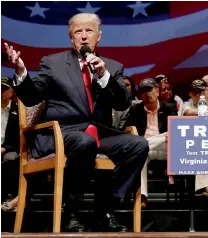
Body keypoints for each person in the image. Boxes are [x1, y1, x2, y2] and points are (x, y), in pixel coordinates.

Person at [4, 13, 149, 232]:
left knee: (138, 144)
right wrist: (22, 72)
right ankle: (72, 210)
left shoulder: (112, 66)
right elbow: (33, 98)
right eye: (77, 32)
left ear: (98, 36)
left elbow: (122, 104)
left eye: (88, 31)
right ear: (71, 38)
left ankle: (106, 210)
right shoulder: (53, 63)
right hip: (60, 133)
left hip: (98, 133)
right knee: (83, 142)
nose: (83, 36)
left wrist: (104, 76)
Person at [121, 78, 177, 208]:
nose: (147, 94)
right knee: (140, 155)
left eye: (150, 90)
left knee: (169, 134)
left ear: (157, 91)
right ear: (140, 94)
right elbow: (127, 131)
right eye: (144, 91)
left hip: (167, 149)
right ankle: (142, 196)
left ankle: (142, 143)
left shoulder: (169, 108)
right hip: (147, 151)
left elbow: (175, 131)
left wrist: (141, 143)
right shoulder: (135, 110)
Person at [1, 76, 20, 211]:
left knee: (11, 159)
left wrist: (3, 149)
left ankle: (7, 197)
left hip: (8, 148)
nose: (1, 92)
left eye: (4, 89)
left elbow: (18, 138)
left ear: (12, 91)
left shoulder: (18, 111)